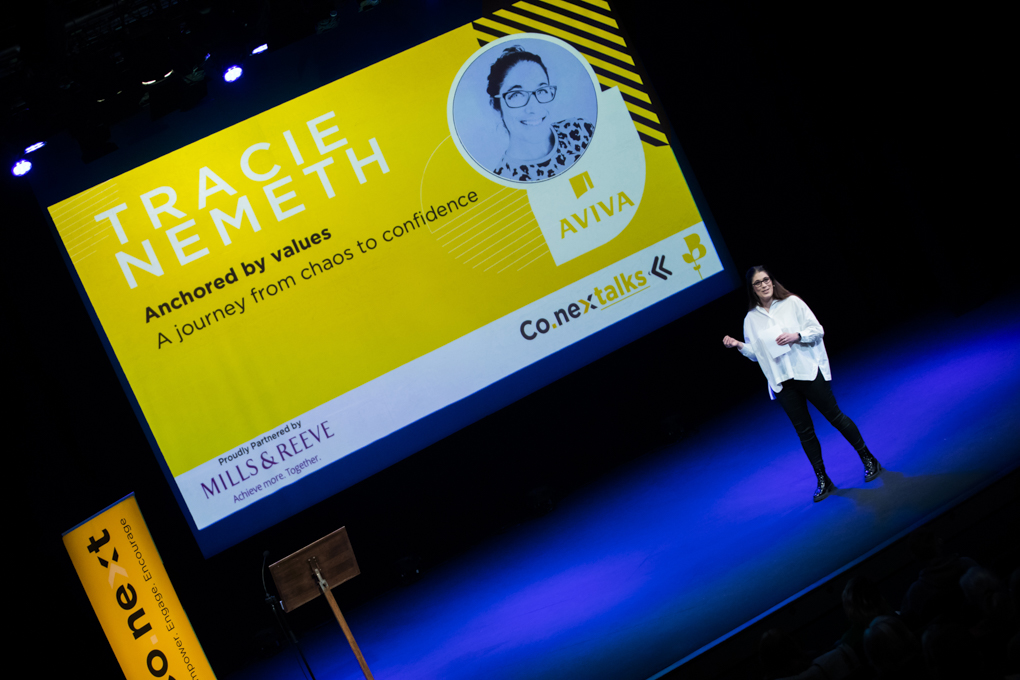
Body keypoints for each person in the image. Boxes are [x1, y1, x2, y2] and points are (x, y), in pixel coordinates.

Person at [722, 266, 880, 502]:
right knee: (804, 433)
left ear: (772, 281)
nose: (764, 285)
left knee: (835, 417)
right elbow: (756, 354)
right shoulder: (751, 319)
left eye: (766, 280)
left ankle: (868, 458)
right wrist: (739, 345)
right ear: (752, 289)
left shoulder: (792, 303)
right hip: (782, 381)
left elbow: (817, 330)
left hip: (806, 371)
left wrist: (797, 336)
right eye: (758, 283)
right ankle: (823, 479)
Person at [486, 45, 593, 182]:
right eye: (517, 94)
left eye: (541, 91)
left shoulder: (581, 131)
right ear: (495, 106)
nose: (534, 108)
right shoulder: (504, 180)